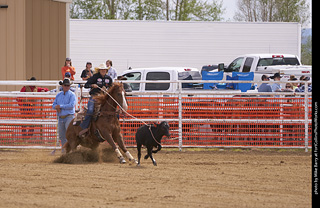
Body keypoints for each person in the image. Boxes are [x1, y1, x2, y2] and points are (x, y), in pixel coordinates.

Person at [78, 63, 113, 137]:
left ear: (106, 70)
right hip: (94, 97)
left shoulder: (109, 79)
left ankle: (113, 128)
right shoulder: (95, 77)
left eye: (104, 70)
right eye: (102, 70)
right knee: (90, 111)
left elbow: (111, 88)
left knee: (113, 111)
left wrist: (107, 90)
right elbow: (86, 85)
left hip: (104, 98)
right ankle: (84, 128)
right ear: (99, 70)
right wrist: (92, 85)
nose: (103, 71)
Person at [52, 78, 77, 152]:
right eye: (65, 85)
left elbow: (72, 105)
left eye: (68, 85)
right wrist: (56, 106)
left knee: (70, 135)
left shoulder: (72, 95)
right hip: (61, 117)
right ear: (62, 86)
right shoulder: (59, 95)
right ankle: (64, 150)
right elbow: (54, 105)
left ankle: (72, 150)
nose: (67, 87)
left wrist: (60, 106)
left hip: (69, 116)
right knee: (62, 135)